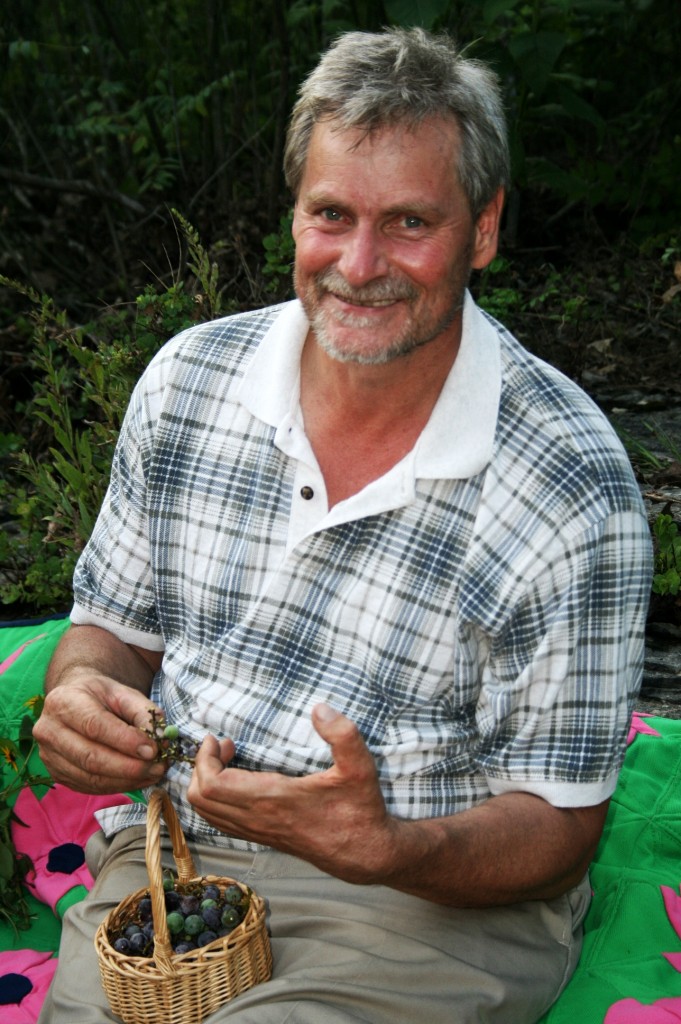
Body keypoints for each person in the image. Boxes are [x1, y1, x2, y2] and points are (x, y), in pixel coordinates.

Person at [34, 26, 651, 1024]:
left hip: (426, 903)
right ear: (294, 214)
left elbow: (559, 823)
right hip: (175, 859)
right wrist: (79, 696)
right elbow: (111, 631)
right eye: (331, 214)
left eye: (409, 221)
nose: (358, 265)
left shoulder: (571, 484)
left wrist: (390, 847)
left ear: (484, 229)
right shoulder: (189, 380)